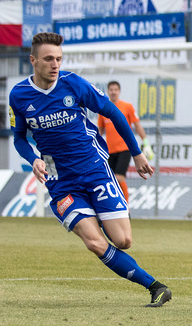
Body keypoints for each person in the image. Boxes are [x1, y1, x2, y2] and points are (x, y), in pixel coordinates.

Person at [8, 32, 171, 307]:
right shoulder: (19, 95)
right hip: (61, 182)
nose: (55, 64)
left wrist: (136, 153)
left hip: (94, 169)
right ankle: (156, 287)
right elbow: (19, 138)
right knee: (94, 243)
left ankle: (102, 218)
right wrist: (33, 158)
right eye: (48, 59)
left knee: (123, 240)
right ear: (33, 61)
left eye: (59, 58)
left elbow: (114, 113)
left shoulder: (74, 84)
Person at [96, 80, 153, 202]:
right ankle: (116, 206)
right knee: (111, 181)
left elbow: (137, 125)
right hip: (109, 151)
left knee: (119, 177)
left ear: (119, 91)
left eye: (116, 90)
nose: (113, 92)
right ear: (108, 91)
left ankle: (126, 207)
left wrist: (146, 143)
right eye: (111, 90)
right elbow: (100, 130)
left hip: (125, 149)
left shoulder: (127, 107)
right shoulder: (103, 109)